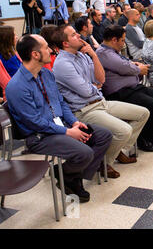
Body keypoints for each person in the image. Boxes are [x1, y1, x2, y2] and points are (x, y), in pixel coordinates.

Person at [6, 34, 112, 203]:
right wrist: (67, 132)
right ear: (35, 54)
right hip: (40, 136)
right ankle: (70, 176)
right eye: (46, 47)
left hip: (61, 126)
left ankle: (70, 175)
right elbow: (34, 122)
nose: (51, 50)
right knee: (84, 152)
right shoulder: (17, 86)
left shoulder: (46, 74)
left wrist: (73, 122)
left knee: (103, 135)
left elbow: (61, 103)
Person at [52, 24, 150, 178]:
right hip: (84, 110)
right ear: (65, 43)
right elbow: (85, 90)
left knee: (143, 113)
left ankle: (116, 151)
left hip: (100, 101)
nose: (78, 35)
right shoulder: (62, 64)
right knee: (124, 130)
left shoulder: (83, 55)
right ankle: (105, 163)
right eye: (73, 34)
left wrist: (94, 55)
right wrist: (95, 86)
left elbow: (101, 79)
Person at [97, 24, 153, 151]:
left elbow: (125, 64)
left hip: (134, 88)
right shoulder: (103, 53)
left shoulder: (112, 52)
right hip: (121, 93)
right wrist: (138, 69)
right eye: (122, 40)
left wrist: (134, 66)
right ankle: (144, 138)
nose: (124, 44)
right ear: (114, 40)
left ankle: (152, 132)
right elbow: (124, 67)